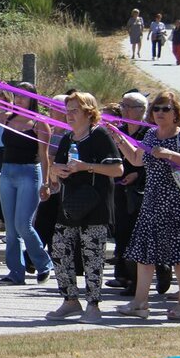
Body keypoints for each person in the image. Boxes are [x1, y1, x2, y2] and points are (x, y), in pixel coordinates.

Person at [115, 91, 180, 320]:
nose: (159, 113)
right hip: (153, 203)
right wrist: (117, 138)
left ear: (176, 113)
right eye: (156, 109)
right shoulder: (151, 136)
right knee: (145, 256)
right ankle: (139, 304)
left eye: (166, 109)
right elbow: (137, 159)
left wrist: (170, 155)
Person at [45, 92, 123, 323]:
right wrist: (54, 173)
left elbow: (117, 170)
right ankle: (70, 299)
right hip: (70, 204)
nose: (69, 115)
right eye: (67, 111)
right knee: (59, 249)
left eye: (74, 111)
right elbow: (56, 168)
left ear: (89, 112)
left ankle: (93, 304)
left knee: (92, 255)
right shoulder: (68, 138)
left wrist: (85, 167)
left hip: (95, 205)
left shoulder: (99, 135)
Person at [0, 82, 54, 285]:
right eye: (17, 96)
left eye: (24, 96)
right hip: (7, 171)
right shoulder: (7, 117)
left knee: (23, 224)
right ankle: (15, 272)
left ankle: (43, 263)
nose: (20, 100)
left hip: (29, 172)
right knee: (10, 228)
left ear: (32, 99)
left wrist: (46, 183)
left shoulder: (39, 123)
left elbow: (44, 156)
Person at [109, 92, 149, 295]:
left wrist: (136, 174)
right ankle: (122, 275)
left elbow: (149, 161)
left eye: (130, 106)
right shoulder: (119, 131)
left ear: (142, 111)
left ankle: (139, 279)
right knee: (122, 230)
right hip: (119, 187)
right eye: (123, 106)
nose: (125, 110)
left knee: (138, 232)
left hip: (143, 189)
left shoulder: (148, 133)